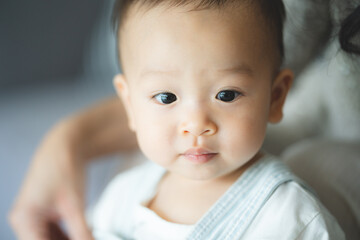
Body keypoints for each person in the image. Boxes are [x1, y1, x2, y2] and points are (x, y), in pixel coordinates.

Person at [8, 0, 348, 239]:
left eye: (226, 95)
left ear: (276, 97)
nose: (196, 124)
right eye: (166, 97)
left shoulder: (292, 217)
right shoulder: (123, 197)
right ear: (129, 104)